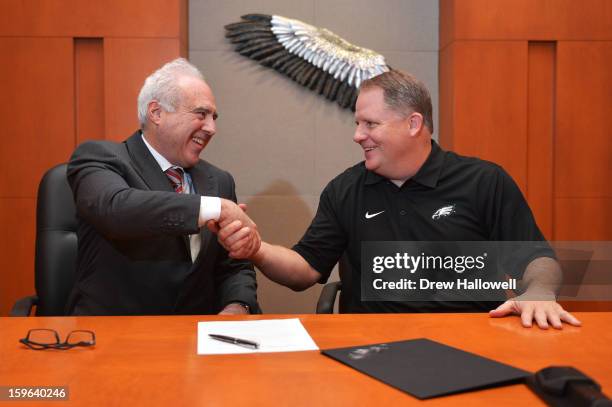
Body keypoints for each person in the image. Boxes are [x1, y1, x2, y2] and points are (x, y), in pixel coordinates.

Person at [215, 69, 581, 329]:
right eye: (357, 123)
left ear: (413, 124)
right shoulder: (346, 189)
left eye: (370, 124)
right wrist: (257, 249)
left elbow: (538, 259)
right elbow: (305, 269)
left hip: (471, 339)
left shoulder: (484, 181)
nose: (358, 136)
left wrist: (540, 291)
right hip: (373, 344)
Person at [66, 58, 260, 316]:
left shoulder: (219, 181)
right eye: (201, 114)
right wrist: (215, 208)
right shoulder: (99, 157)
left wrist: (238, 305)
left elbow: (234, 266)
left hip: (196, 340)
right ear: (156, 113)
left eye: (214, 117)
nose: (212, 128)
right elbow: (115, 209)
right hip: (114, 337)